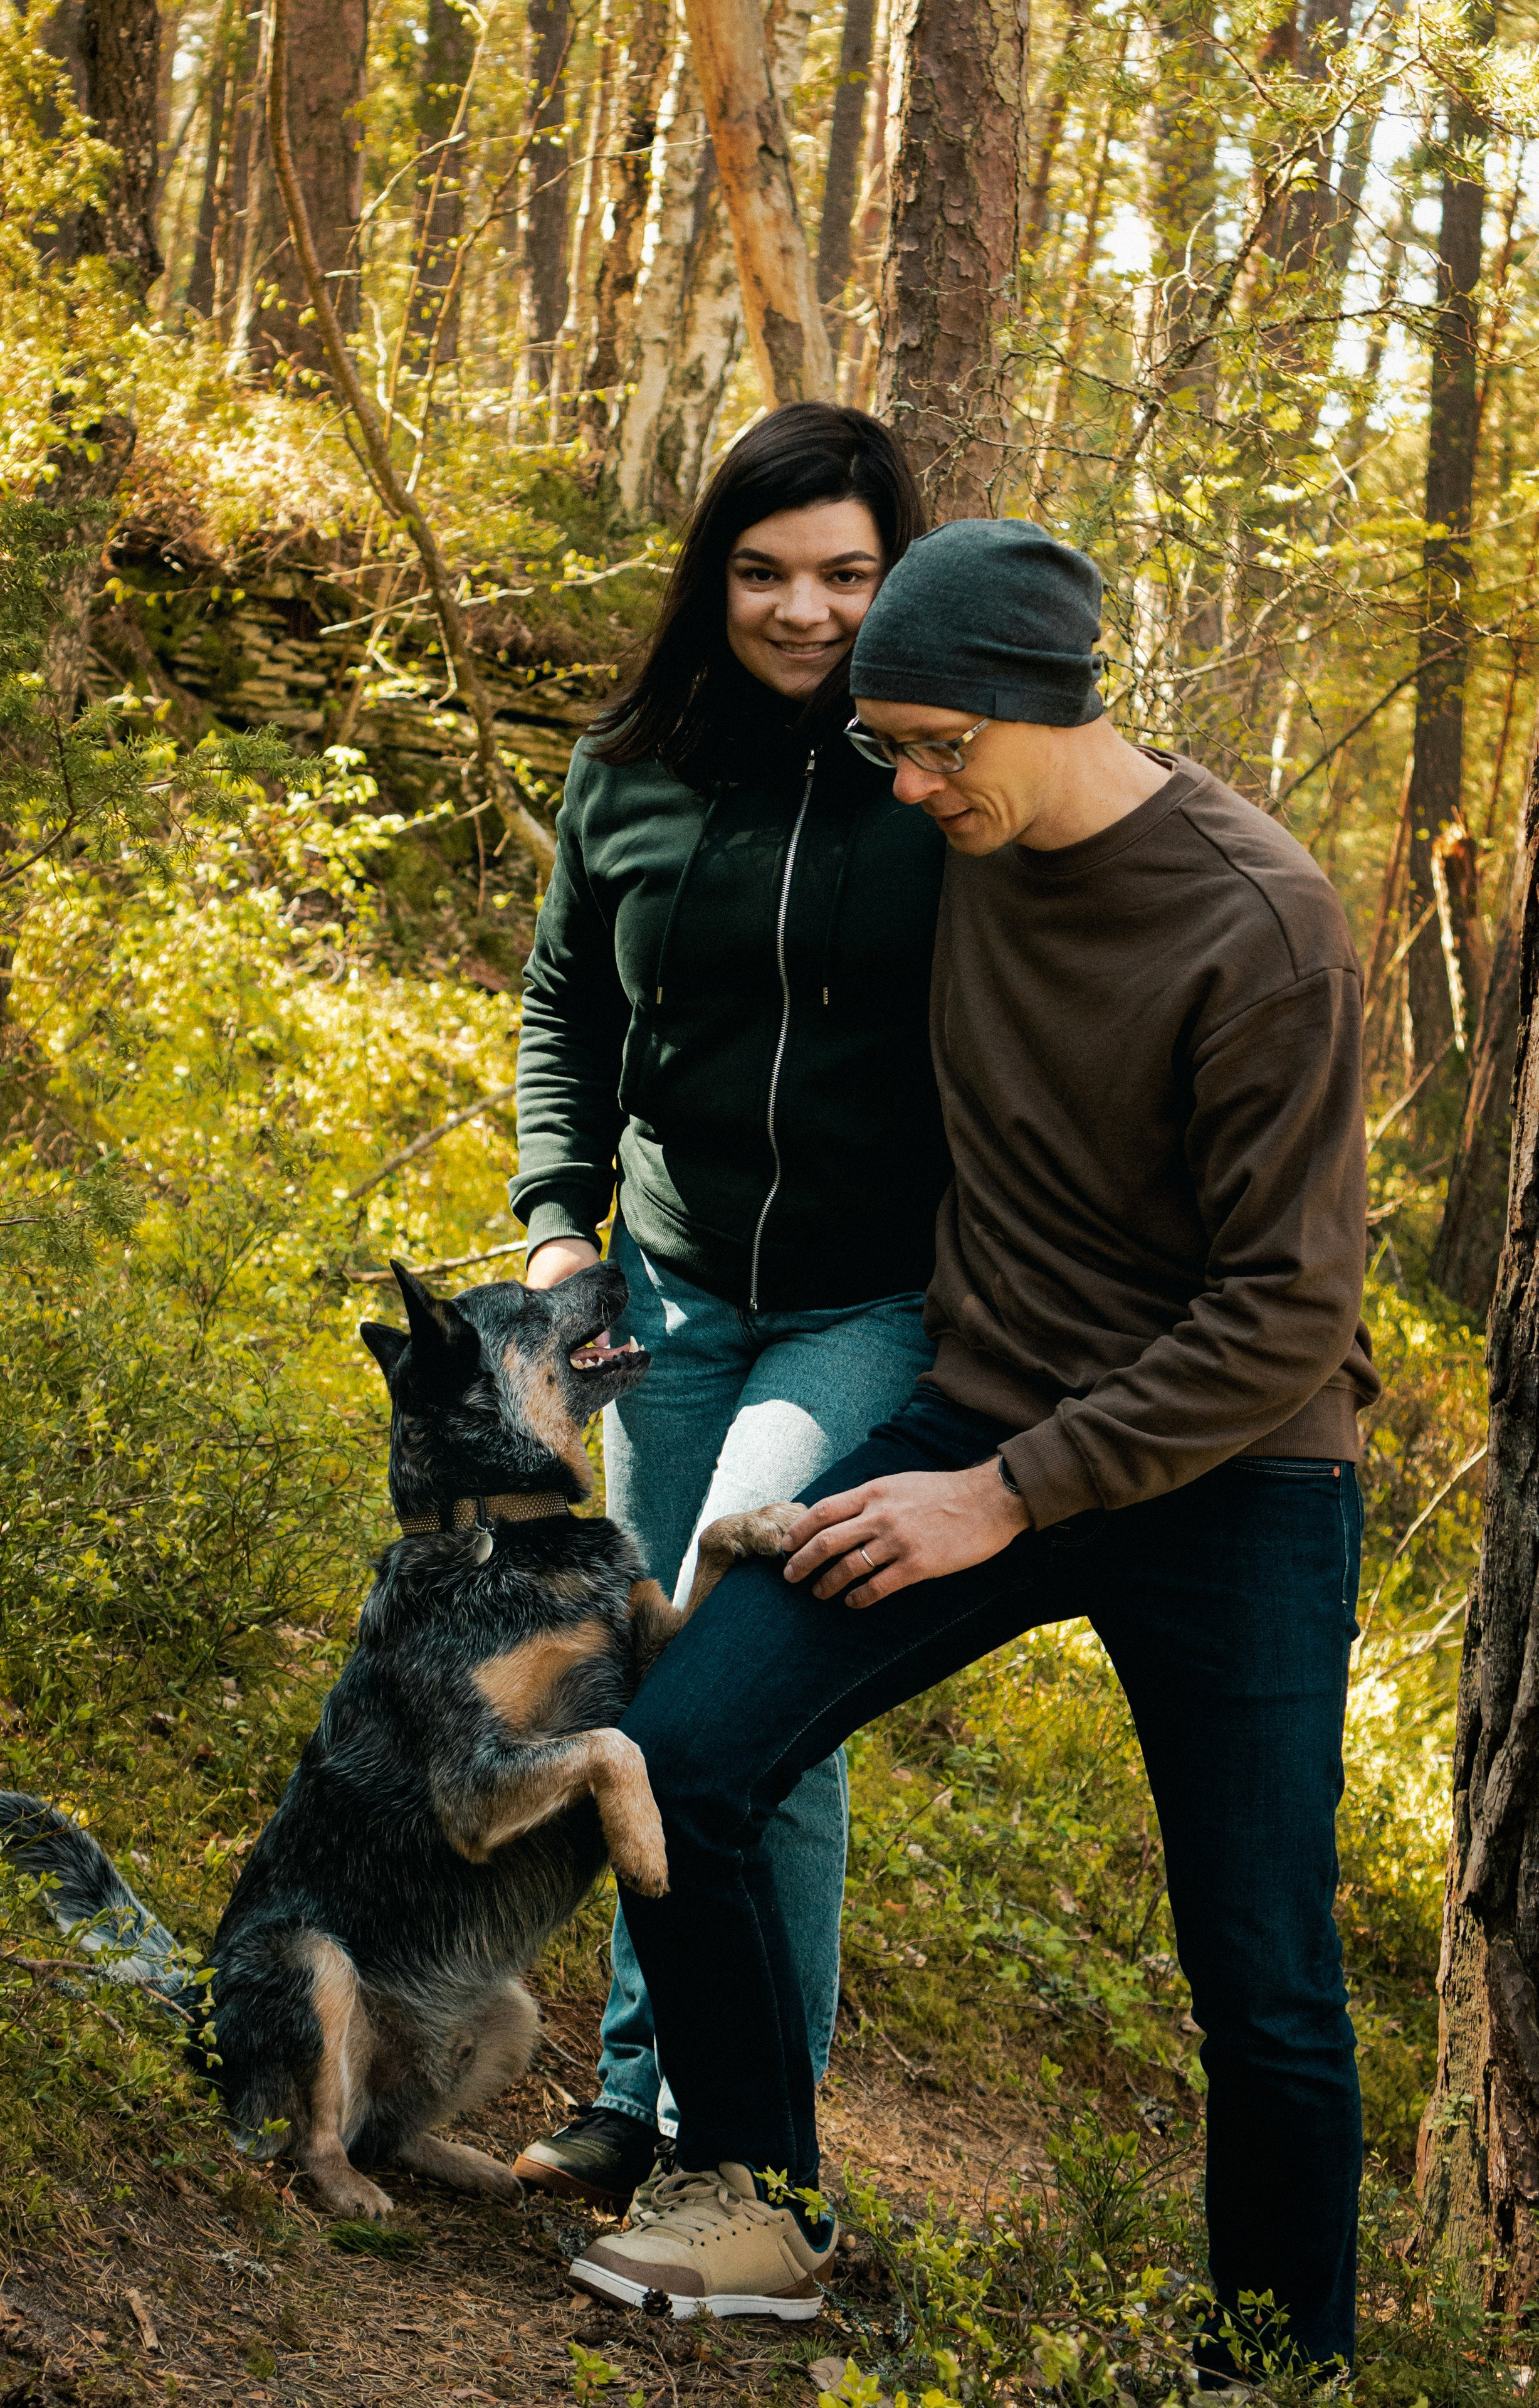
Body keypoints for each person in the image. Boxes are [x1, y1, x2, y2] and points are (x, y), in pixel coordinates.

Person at [568, 518, 1380, 2374]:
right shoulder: (954, 846)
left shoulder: (1263, 926)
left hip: (1237, 1474)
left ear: (1047, 704)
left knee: (1262, 1978)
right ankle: (756, 2201)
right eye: (889, 750)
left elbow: (1288, 1314)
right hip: (982, 1416)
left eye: (941, 745)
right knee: (678, 1755)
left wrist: (999, 1498)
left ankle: (1280, 2364)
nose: (914, 786)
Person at [507, 404, 953, 2207]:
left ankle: (744, 2135)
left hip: (867, 1303)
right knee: (647, 1671)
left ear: (895, 580)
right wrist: (560, 1231)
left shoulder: (934, 775)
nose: (803, 610)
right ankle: (641, 2089)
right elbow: (565, 1008)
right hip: (669, 1296)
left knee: (734, 1647)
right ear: (716, 577)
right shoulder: (629, 764)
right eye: (766, 572)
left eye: (847, 575)